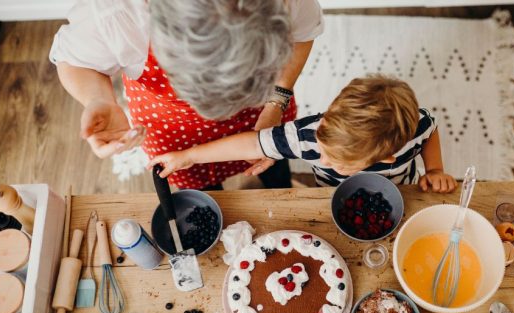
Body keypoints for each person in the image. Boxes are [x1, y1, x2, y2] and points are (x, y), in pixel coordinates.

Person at [50, 0, 325, 189]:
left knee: (273, 157)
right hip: (171, 125)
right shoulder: (118, 12)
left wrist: (276, 101)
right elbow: (76, 61)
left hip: (264, 110)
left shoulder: (289, 3)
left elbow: (303, 35)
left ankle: (280, 185)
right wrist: (99, 97)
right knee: (201, 187)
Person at [148, 75, 458, 193]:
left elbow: (431, 133)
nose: (319, 157)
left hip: (400, 191)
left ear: (386, 157)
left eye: (336, 161)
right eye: (323, 145)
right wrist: (187, 156)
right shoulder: (307, 135)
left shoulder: (416, 129)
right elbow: (249, 143)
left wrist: (435, 169)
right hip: (330, 194)